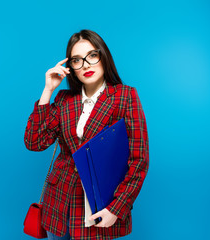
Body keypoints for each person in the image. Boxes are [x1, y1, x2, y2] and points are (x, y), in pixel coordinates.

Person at [24, 29, 149, 240]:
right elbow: (34, 142)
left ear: (103, 55)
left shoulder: (125, 96)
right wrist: (48, 91)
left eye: (92, 55)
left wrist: (117, 208)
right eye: (76, 60)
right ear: (71, 67)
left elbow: (139, 161)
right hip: (60, 205)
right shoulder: (64, 99)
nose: (86, 65)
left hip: (99, 207)